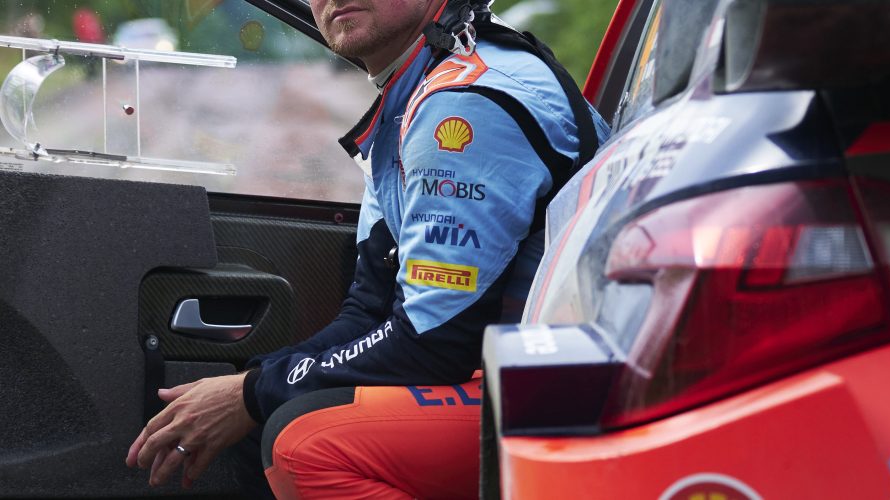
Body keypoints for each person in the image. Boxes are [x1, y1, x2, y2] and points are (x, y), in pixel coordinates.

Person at [123, 0, 607, 497]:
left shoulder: (463, 102)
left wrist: (252, 393)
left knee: (303, 444)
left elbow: (433, 342)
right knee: (259, 411)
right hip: (520, 371)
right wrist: (251, 385)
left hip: (569, 393)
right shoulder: (414, 91)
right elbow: (369, 307)